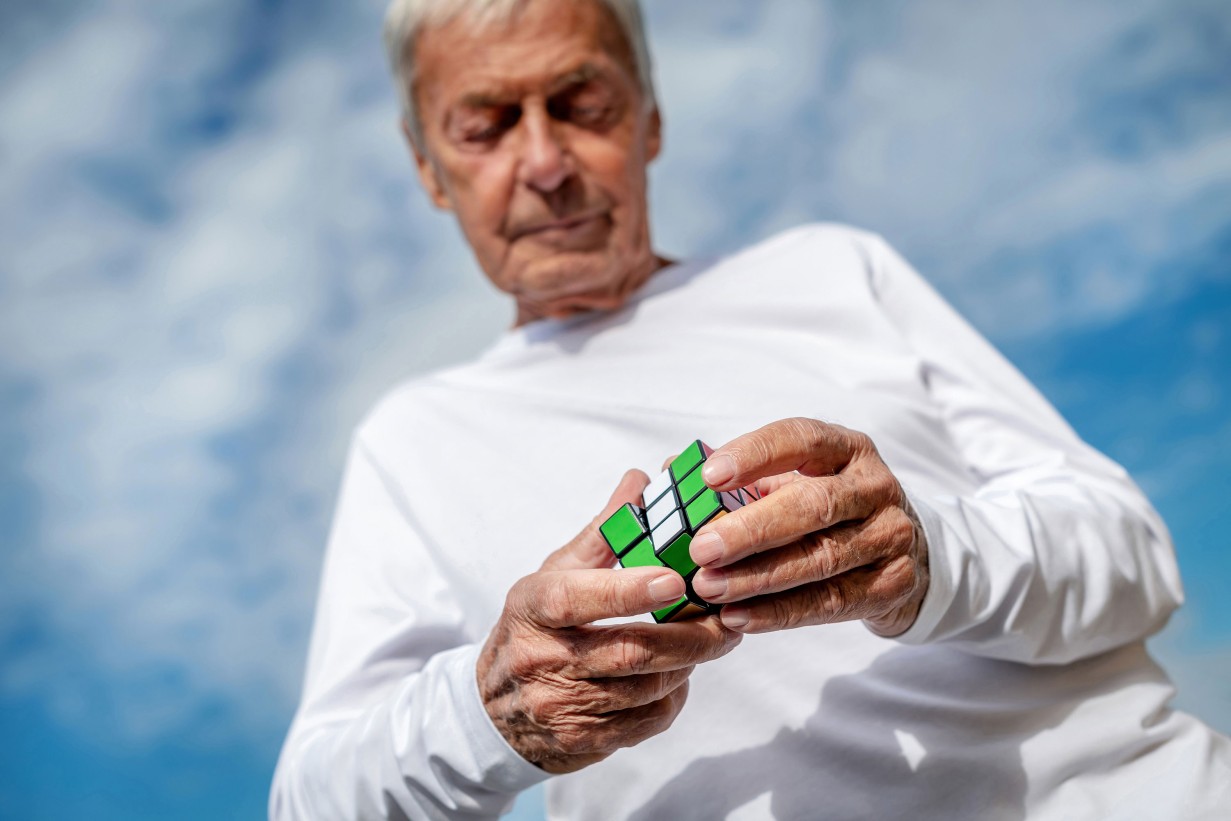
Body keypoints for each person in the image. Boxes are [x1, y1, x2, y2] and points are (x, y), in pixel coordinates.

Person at [270, 0, 1231, 818]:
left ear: (649, 118)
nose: (546, 161)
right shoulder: (412, 440)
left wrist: (928, 557)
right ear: (430, 167)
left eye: (582, 103)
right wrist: (490, 711)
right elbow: (312, 796)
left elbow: (1133, 551)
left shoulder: (830, 269)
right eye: (484, 125)